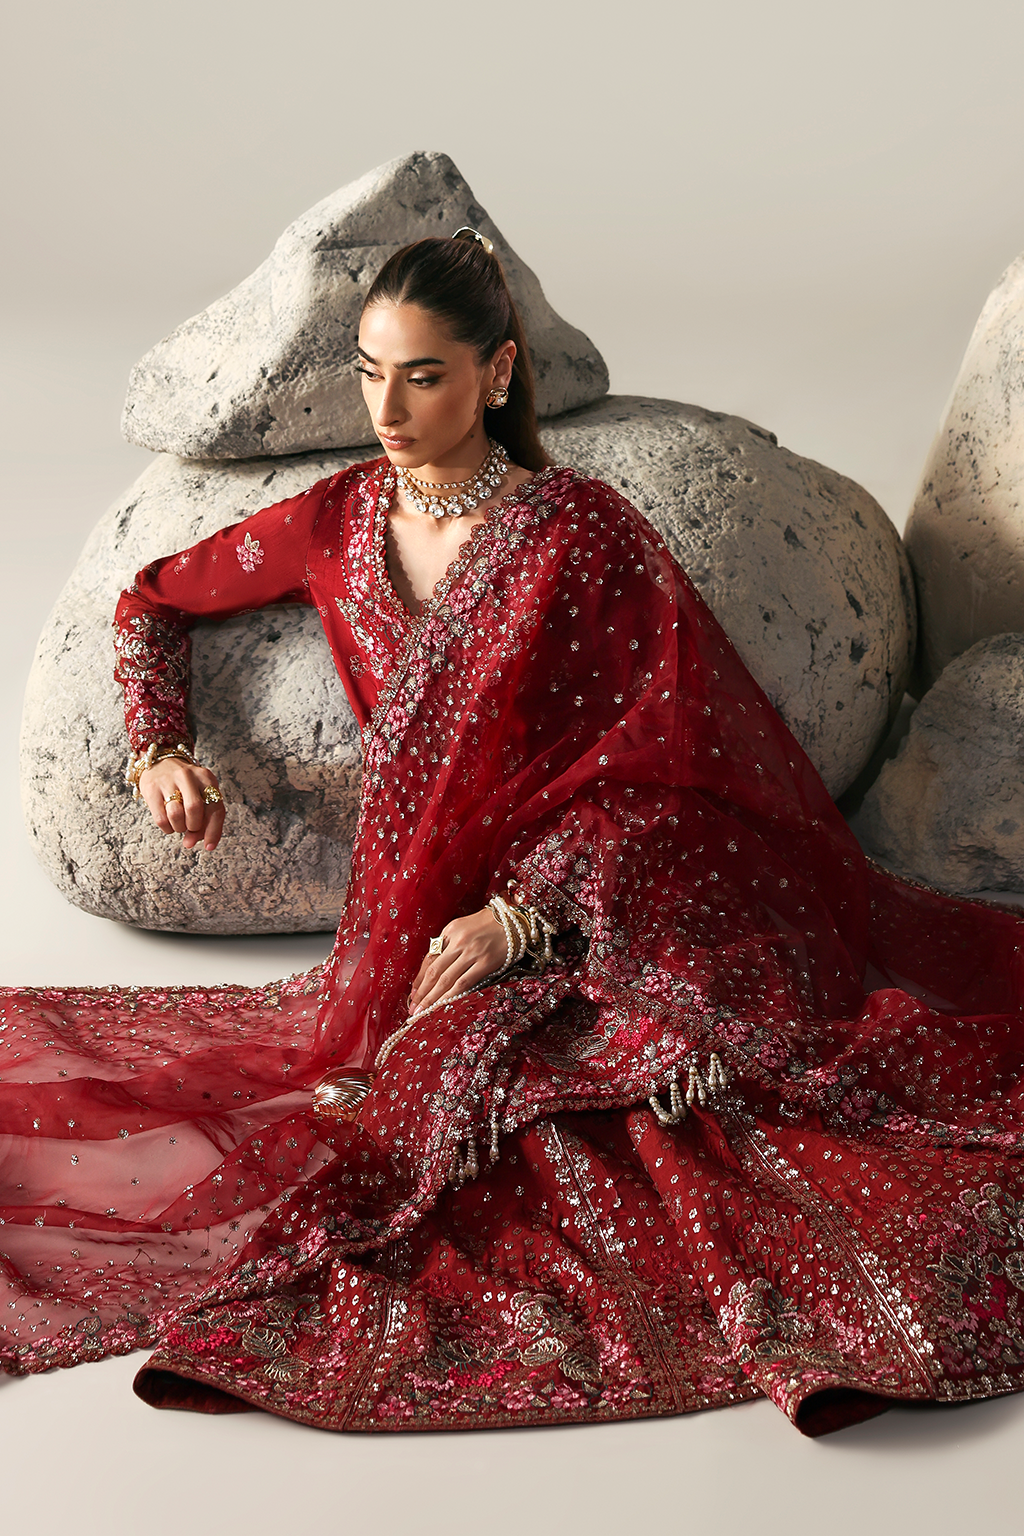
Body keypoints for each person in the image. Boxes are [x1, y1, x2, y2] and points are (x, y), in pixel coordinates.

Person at [4, 230, 1024, 1438]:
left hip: (595, 904)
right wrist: (160, 747)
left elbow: (667, 772)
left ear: (495, 374)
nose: (387, 410)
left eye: (422, 376)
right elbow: (153, 596)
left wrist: (525, 917)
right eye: (369, 373)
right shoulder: (336, 522)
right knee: (340, 1096)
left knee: (624, 1103)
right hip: (407, 920)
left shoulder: (580, 534)